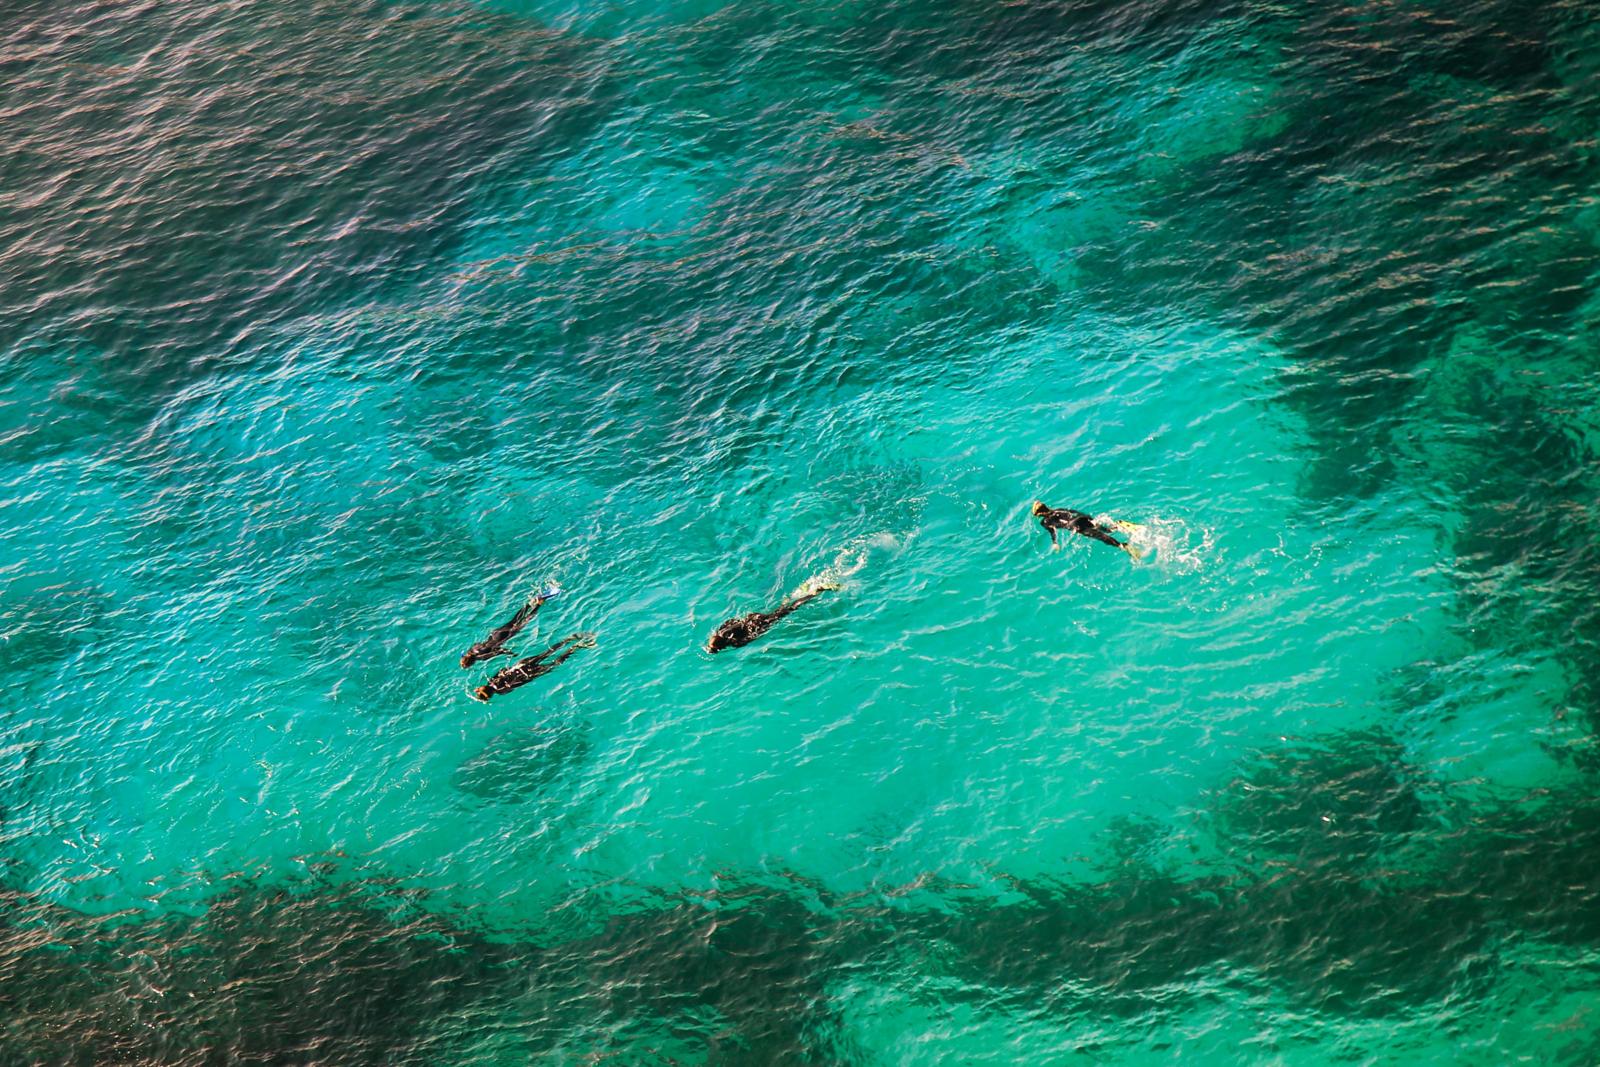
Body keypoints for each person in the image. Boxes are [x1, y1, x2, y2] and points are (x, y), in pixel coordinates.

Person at [705, 584, 836, 654]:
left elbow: (752, 637)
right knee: (781, 609)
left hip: (759, 623)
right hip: (752, 618)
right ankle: (798, 594)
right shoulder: (720, 631)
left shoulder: (734, 643)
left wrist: (765, 629)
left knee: (789, 610)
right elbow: (732, 621)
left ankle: (815, 592)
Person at [473, 632, 595, 702]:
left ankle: (575, 647)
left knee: (554, 663)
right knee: (547, 653)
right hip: (521, 664)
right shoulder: (490, 680)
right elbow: (503, 670)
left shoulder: (501, 691)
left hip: (528, 674)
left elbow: (517, 683)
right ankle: (569, 639)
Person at [460, 587, 560, 669]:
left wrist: (510, 654)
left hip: (502, 638)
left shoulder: (482, 657)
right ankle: (530, 603)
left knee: (524, 622)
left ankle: (539, 603)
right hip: (495, 633)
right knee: (515, 619)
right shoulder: (471, 650)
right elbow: (479, 644)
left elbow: (499, 650)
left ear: (472, 663)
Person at [1031, 500, 1142, 558]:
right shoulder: (1058, 510)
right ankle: (1117, 526)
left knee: (1101, 537)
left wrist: (1055, 542)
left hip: (1075, 525)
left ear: (1039, 514)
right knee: (1105, 530)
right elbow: (1074, 512)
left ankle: (1123, 546)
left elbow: (1052, 531)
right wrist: (1090, 519)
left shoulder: (1044, 522)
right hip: (1081, 518)